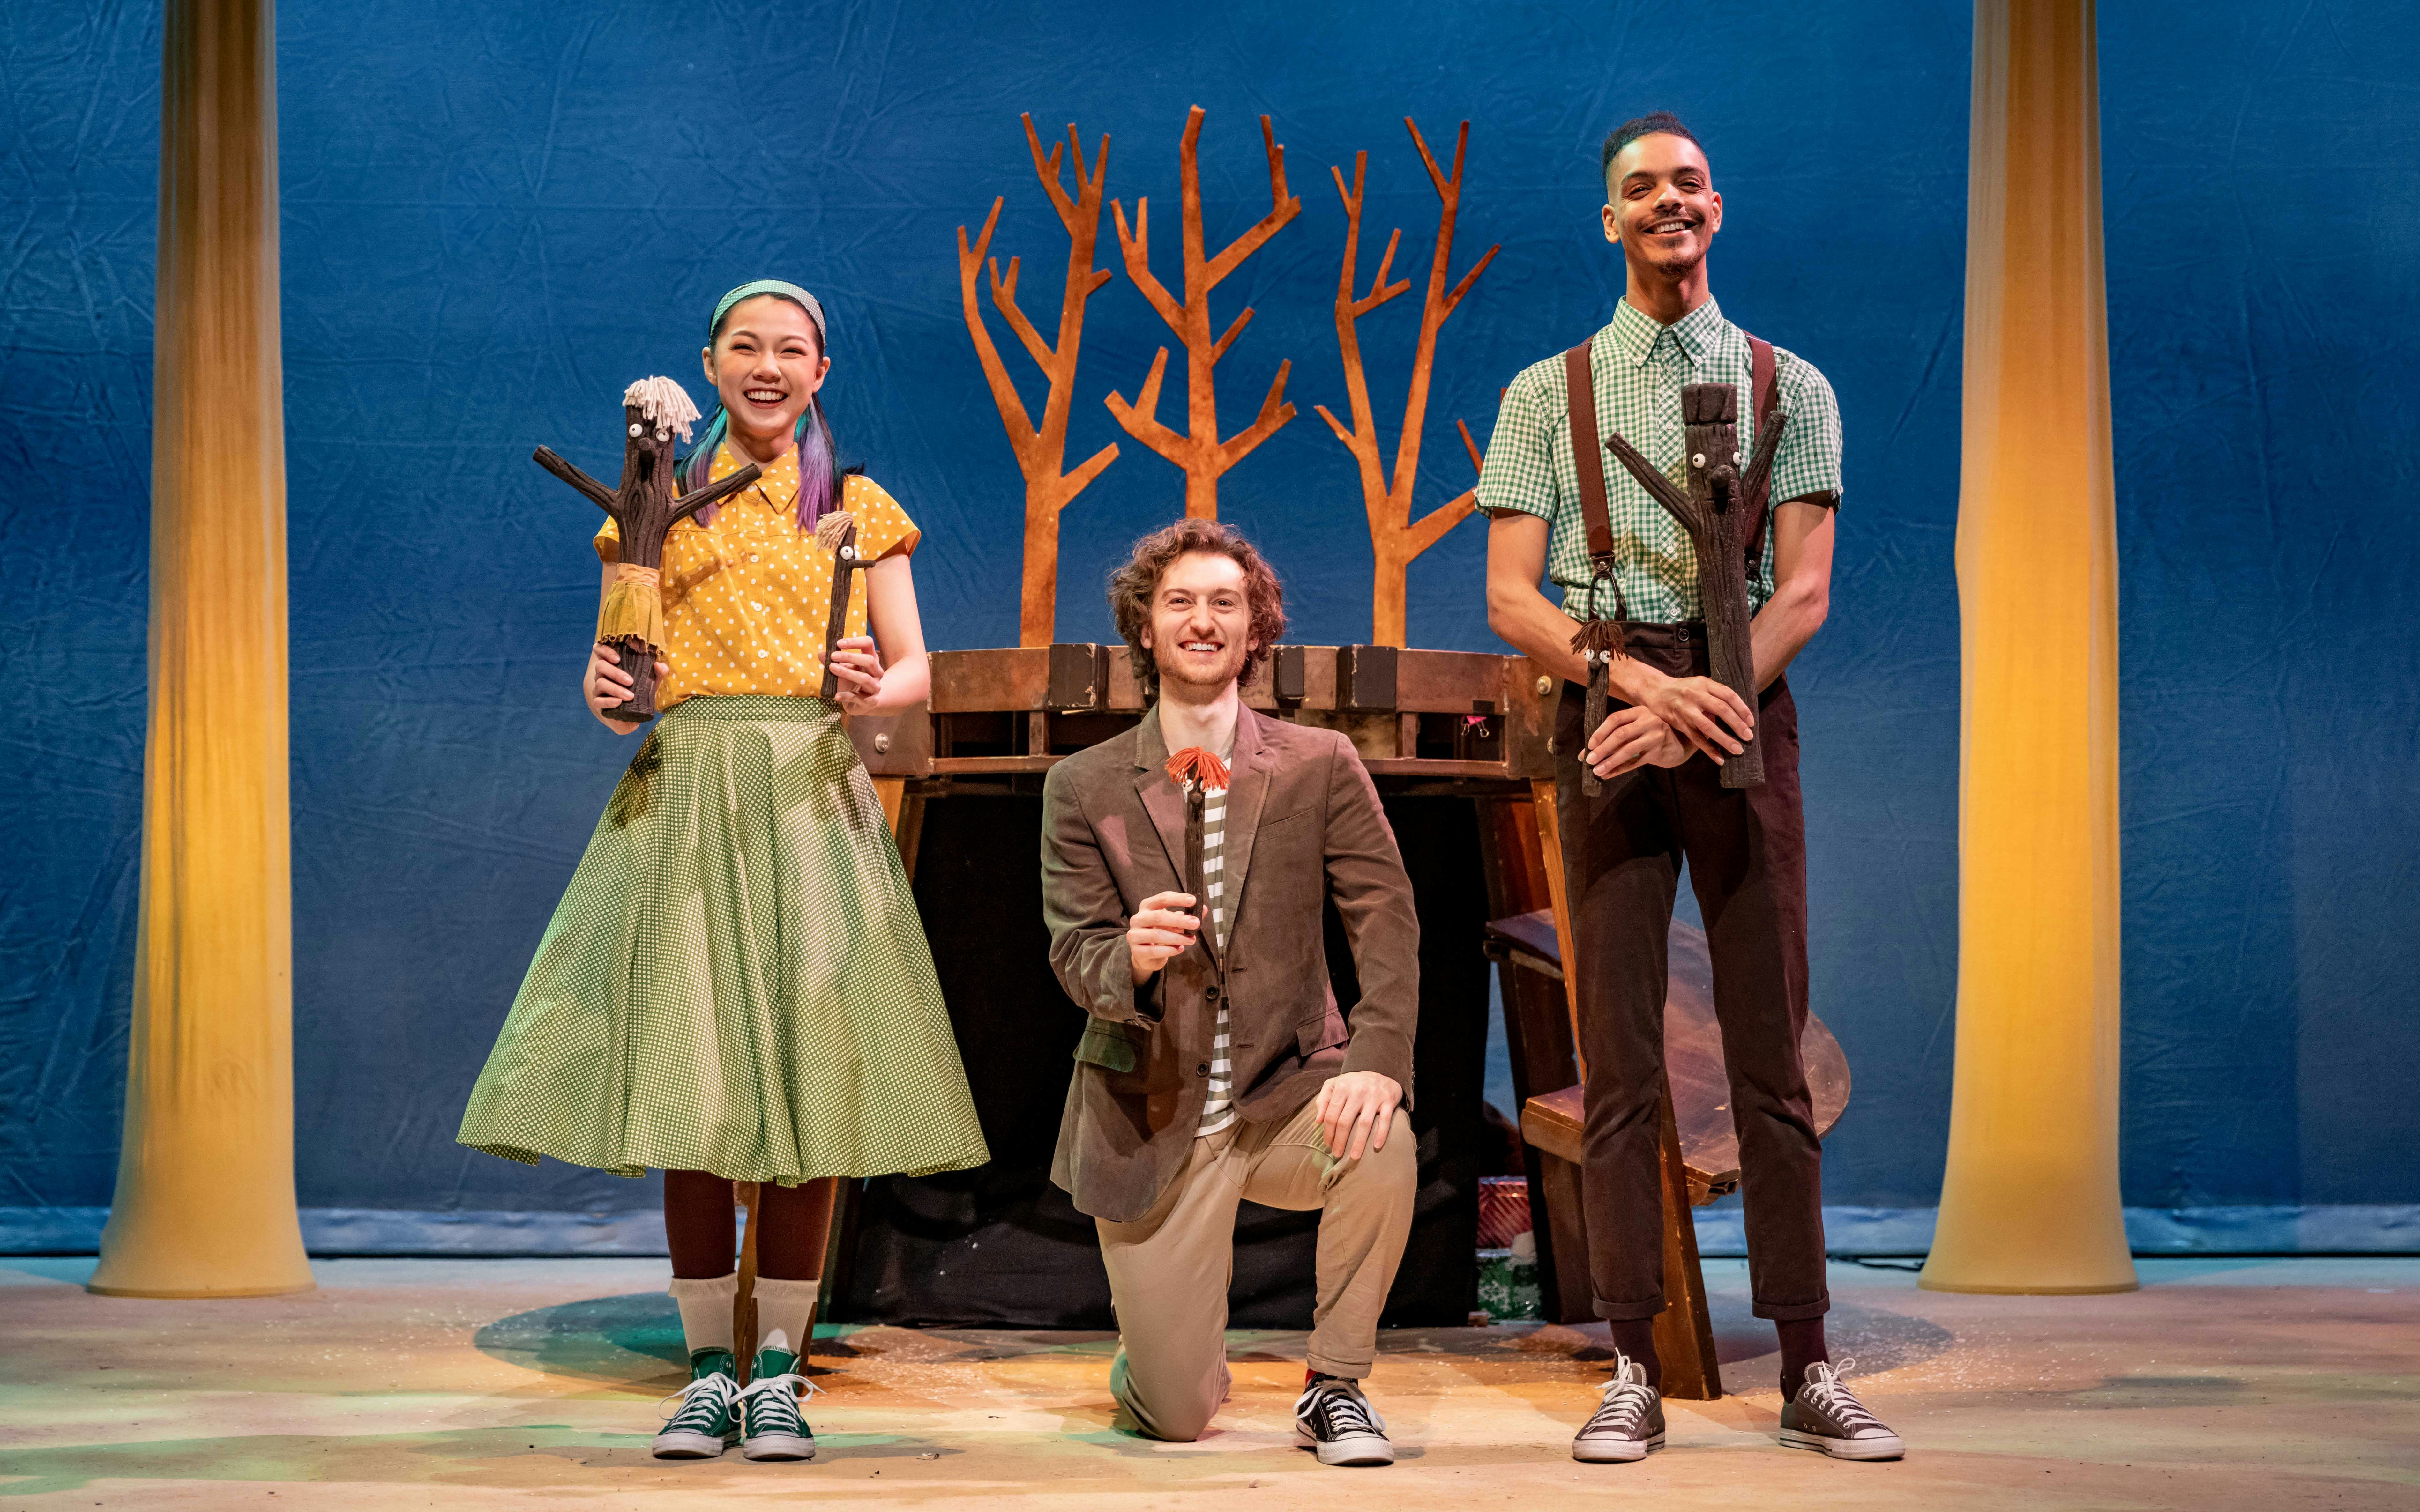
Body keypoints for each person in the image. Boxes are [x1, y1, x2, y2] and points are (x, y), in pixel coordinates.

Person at [458, 279, 988, 1465]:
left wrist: (873, 685)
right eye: (746, 346)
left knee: (811, 1089)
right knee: (691, 1091)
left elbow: (917, 668)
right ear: (709, 364)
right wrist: (608, 691)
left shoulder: (854, 507)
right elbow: (618, 681)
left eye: (790, 349)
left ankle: (780, 1372)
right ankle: (709, 1371)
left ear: (820, 371)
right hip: (689, 796)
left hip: (807, 798)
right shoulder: (652, 510)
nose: (768, 365)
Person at [1478, 114, 1903, 1463]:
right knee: (1616, 1058)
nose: (1670, 202)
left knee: (1770, 1051)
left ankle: (1808, 1364)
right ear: (1610, 220)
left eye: (1690, 184)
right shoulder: (1549, 392)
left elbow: (1806, 592)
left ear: (1718, 209)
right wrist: (1642, 696)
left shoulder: (1792, 387)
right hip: (1610, 708)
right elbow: (1511, 596)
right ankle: (1631, 1363)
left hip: (1742, 706)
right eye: (1642, 189)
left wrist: (1704, 708)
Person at [1039, 520, 1421, 1467]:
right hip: (1152, 1110)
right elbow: (1075, 952)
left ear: (1256, 632)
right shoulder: (1083, 784)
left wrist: (1377, 1059)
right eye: (1180, 602)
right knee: (1174, 1417)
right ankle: (1165, 1356)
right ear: (1146, 627)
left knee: (1381, 1138)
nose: (1202, 621)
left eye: (1224, 603)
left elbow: (1385, 918)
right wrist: (1128, 957)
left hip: (1285, 1093)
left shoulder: (1319, 762)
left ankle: (1335, 1385)